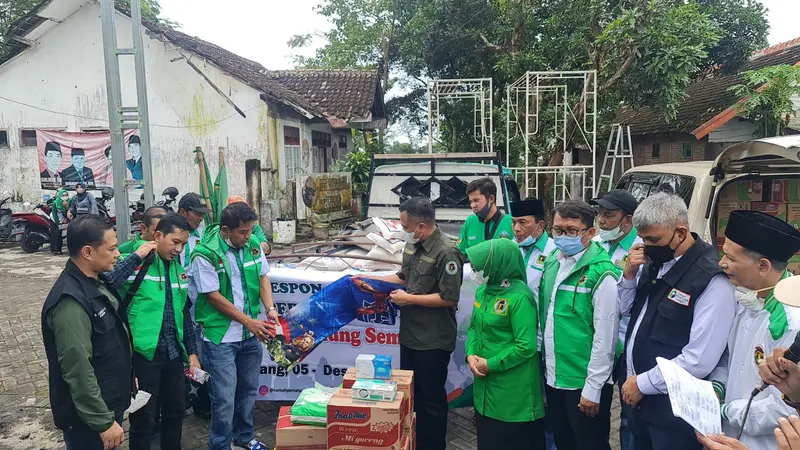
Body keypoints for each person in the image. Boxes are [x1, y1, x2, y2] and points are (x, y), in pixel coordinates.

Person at [618, 193, 736, 450]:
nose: (646, 246)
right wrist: (628, 276)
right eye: (643, 239)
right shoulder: (655, 261)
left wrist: (643, 383)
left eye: (653, 239)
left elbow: (699, 358)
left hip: (673, 412)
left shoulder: (710, 278)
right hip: (638, 402)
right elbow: (628, 312)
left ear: (681, 232)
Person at [355, 197, 463, 450]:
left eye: (406, 228)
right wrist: (368, 278)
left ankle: (434, 445)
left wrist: (409, 299)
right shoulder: (413, 246)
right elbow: (403, 277)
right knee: (413, 397)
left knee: (432, 401)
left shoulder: (447, 251)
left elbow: (449, 298)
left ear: (422, 227)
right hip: (411, 337)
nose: (404, 232)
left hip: (433, 340)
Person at [702, 210, 800, 449]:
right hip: (730, 437)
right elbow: (731, 359)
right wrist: (718, 386)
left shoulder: (790, 322)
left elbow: (785, 405)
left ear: (763, 266)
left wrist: (726, 410)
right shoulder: (747, 299)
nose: (721, 263)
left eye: (731, 258)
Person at [187, 202, 278, 450]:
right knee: (224, 397)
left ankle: (244, 437)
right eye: (243, 232)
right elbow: (213, 296)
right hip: (220, 337)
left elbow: (262, 277)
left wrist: (269, 308)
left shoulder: (252, 246)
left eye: (251, 231)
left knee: (248, 390)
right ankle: (220, 444)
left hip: (250, 333)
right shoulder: (204, 254)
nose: (248, 237)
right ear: (226, 230)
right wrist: (249, 321)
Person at [41, 215, 135, 450]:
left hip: (106, 402)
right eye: (112, 248)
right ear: (87, 252)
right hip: (88, 421)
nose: (118, 254)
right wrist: (103, 423)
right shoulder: (70, 302)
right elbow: (78, 369)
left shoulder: (95, 282)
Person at [539, 200, 620, 450]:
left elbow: (605, 339)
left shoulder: (602, 274)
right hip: (554, 376)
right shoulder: (553, 260)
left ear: (590, 232)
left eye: (572, 231)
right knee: (564, 442)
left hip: (584, 383)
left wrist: (593, 389)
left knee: (589, 444)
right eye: (558, 230)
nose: (563, 236)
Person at [117, 213, 201, 450]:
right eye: (175, 242)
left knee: (176, 413)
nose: (179, 248)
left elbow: (184, 314)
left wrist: (192, 353)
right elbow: (107, 282)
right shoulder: (136, 263)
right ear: (157, 236)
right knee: (143, 418)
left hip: (174, 354)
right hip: (144, 356)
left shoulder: (179, 270)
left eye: (183, 243)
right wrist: (136, 256)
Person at [465, 238, 546, 450]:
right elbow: (474, 326)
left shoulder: (519, 298)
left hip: (512, 392)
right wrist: (470, 354)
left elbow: (525, 346)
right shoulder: (484, 290)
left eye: (477, 267)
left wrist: (489, 364)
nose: (474, 271)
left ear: (496, 265)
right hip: (484, 387)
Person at [589, 188, 641, 450]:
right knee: (595, 403)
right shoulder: (597, 244)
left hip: (625, 343)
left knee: (629, 412)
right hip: (597, 341)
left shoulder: (640, 251)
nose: (601, 220)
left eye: (609, 215)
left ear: (627, 220)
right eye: (600, 214)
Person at [458, 178, 514, 256]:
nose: (472, 205)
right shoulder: (470, 222)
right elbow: (460, 253)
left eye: (476, 200)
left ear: (491, 198)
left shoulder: (511, 223)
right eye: (471, 201)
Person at [178, 192, 209, 268]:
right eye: (197, 214)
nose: (201, 218)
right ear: (183, 212)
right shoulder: (168, 233)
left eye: (203, 215)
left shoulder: (203, 235)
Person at [50, 188, 70, 255]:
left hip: (62, 220)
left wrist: (66, 206)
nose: (64, 196)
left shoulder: (69, 201)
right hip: (54, 220)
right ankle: (54, 250)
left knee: (59, 235)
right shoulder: (55, 203)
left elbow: (68, 212)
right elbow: (54, 214)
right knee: (55, 234)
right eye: (63, 195)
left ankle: (59, 250)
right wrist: (58, 223)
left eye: (66, 195)